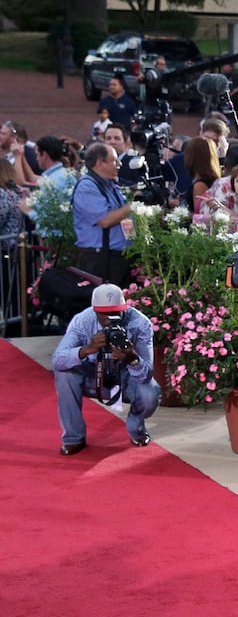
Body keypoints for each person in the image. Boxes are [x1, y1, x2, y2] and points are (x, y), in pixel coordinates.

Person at [51, 283, 160, 454]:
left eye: (116, 312)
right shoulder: (82, 321)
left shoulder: (140, 324)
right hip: (93, 374)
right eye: (104, 314)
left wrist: (132, 358)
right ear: (95, 310)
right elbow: (58, 360)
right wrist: (87, 349)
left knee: (150, 392)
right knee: (64, 374)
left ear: (125, 308)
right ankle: (73, 437)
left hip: (126, 376)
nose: (110, 318)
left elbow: (146, 375)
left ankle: (136, 430)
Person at [70, 142, 134, 286]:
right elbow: (105, 220)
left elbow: (125, 218)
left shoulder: (110, 185)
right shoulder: (87, 186)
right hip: (100, 259)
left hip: (119, 258)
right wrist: (134, 204)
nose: (119, 164)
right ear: (100, 163)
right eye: (114, 160)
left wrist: (132, 242)